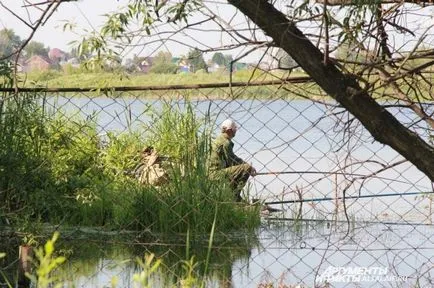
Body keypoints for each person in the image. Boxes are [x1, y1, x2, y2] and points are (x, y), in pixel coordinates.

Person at [208, 119, 256, 202]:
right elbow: (231, 160)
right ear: (229, 130)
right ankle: (235, 196)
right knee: (246, 168)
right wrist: (249, 168)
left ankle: (232, 196)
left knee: (240, 168)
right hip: (214, 174)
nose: (235, 131)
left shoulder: (218, 139)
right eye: (235, 129)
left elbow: (230, 159)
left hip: (210, 172)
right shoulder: (225, 142)